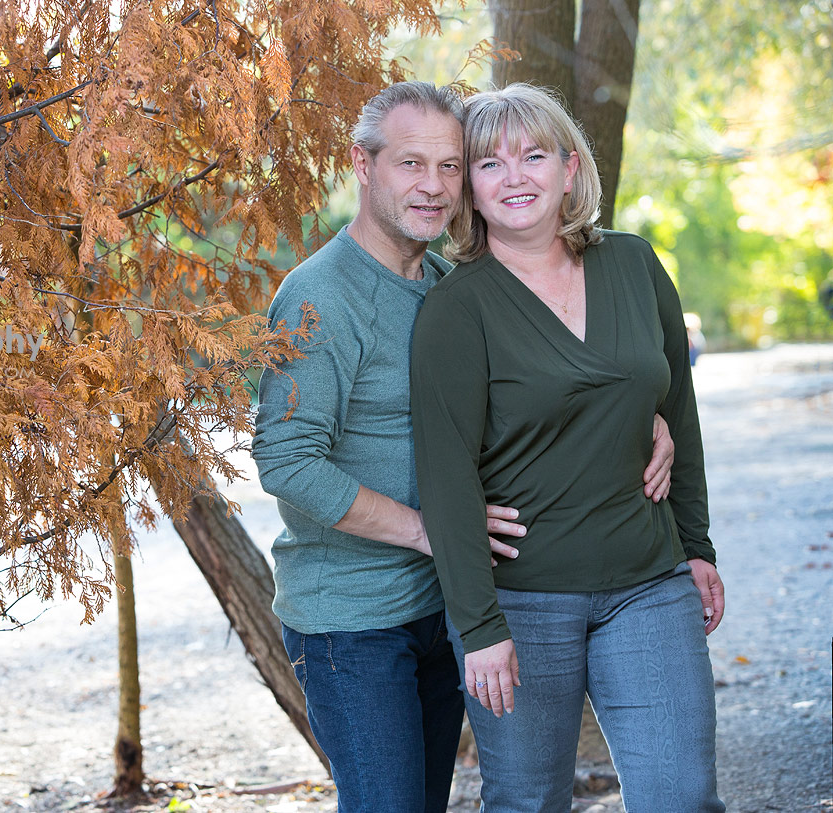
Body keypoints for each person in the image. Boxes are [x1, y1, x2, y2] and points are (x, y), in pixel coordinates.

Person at [252, 81, 675, 813]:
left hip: (440, 607)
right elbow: (286, 463)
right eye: (412, 164)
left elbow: (520, 408)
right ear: (363, 163)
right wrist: (437, 531)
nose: (434, 186)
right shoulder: (319, 296)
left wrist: (642, 419)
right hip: (352, 621)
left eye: (451, 167)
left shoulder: (447, 285)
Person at [409, 83, 725, 812]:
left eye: (535, 154)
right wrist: (480, 627)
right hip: (521, 602)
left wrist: (697, 544)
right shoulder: (457, 310)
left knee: (684, 796)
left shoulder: (635, 264)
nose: (515, 175)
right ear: (471, 193)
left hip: (649, 583)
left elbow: (678, 407)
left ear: (571, 170)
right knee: (526, 801)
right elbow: (447, 475)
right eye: (489, 163)